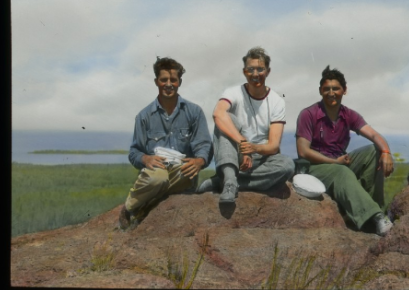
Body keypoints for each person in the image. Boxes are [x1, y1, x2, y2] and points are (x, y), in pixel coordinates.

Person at [295, 65, 394, 236]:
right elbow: (303, 151)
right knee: (341, 171)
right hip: (315, 168)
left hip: (339, 162)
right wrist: (334, 162)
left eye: (336, 88)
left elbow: (374, 135)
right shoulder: (308, 114)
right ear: (320, 91)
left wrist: (385, 152)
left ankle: (370, 207)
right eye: (326, 89)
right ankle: (376, 217)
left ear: (344, 90)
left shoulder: (349, 115)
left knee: (374, 151)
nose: (331, 93)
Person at [118, 56, 213, 230]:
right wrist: (146, 159)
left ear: (179, 82)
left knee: (187, 174)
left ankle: (146, 205)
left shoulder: (194, 112)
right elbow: (134, 152)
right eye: (164, 80)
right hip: (156, 171)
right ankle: (129, 207)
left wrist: (199, 161)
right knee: (158, 178)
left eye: (173, 80)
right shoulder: (144, 116)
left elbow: (204, 144)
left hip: (181, 173)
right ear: (156, 82)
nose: (168, 84)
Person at [197, 46, 295, 205]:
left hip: (261, 158)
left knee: (287, 165)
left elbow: (273, 146)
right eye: (251, 69)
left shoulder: (277, 101)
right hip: (234, 153)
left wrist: (253, 148)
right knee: (227, 118)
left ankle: (227, 182)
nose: (255, 74)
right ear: (244, 72)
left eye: (260, 69)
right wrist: (243, 143)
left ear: (268, 71)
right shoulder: (233, 92)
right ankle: (229, 179)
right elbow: (218, 114)